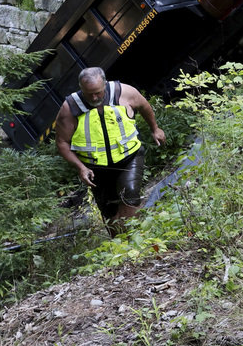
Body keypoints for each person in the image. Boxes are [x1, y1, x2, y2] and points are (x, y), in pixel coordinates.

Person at [54, 67, 165, 236]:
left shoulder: (124, 93)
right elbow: (62, 142)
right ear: (80, 87)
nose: (94, 98)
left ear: (105, 84)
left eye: (98, 92)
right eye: (89, 94)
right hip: (95, 168)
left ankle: (132, 243)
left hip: (129, 157)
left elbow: (144, 105)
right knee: (109, 212)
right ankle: (120, 247)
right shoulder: (70, 108)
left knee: (130, 198)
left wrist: (155, 129)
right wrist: (80, 167)